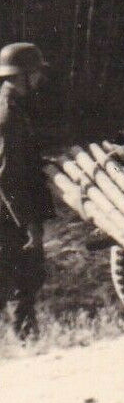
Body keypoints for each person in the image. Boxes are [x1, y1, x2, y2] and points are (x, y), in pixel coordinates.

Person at [0, 42, 54, 339]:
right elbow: (8, 175)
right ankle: (27, 343)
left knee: (22, 277)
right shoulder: (8, 113)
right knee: (23, 276)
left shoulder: (15, 106)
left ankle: (25, 340)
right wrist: (28, 224)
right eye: (35, 72)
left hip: (13, 208)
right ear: (23, 75)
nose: (39, 78)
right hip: (12, 213)